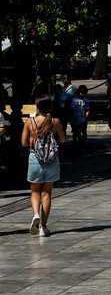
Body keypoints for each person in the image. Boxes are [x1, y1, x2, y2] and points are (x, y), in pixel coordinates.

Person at [23, 93, 65, 237]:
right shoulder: (56, 122)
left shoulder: (30, 122)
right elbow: (63, 140)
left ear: (37, 107)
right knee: (47, 193)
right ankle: (44, 227)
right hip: (52, 160)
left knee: (35, 191)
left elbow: (23, 143)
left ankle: (36, 214)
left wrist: (32, 137)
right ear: (51, 107)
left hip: (35, 159)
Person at [69, 85, 90, 152]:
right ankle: (75, 143)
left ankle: (85, 144)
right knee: (75, 132)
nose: (83, 94)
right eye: (81, 93)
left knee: (84, 132)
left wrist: (86, 117)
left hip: (83, 119)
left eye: (84, 93)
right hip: (75, 119)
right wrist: (72, 117)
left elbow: (87, 110)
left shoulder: (86, 100)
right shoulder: (74, 100)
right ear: (78, 92)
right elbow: (71, 110)